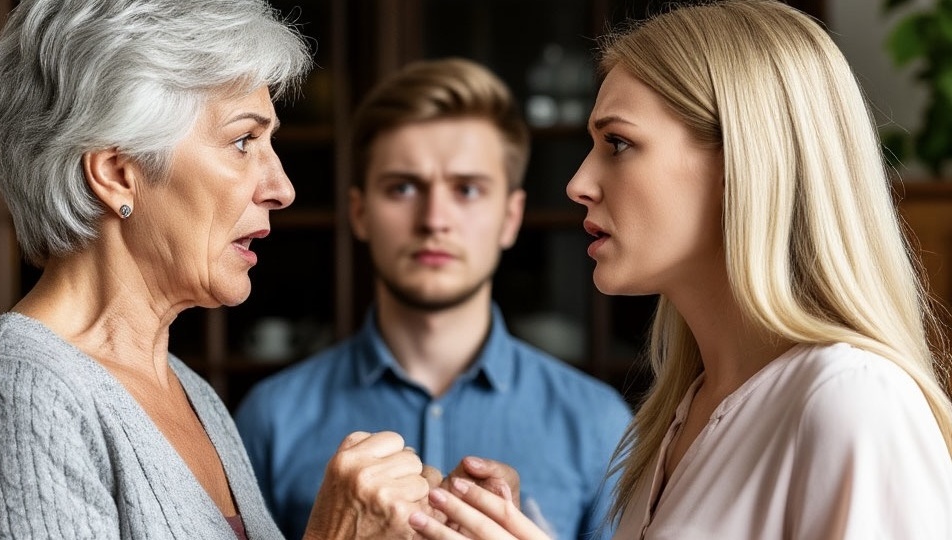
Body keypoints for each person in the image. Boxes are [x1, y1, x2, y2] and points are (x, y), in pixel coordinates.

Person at [407, 1, 952, 539]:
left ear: (742, 160)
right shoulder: (675, 420)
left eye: (618, 143)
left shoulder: (852, 400)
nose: (578, 183)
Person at [0, 0, 470, 538]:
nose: (282, 188)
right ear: (118, 173)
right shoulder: (19, 392)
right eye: (242, 141)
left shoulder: (189, 391)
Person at [233, 57, 634, 540]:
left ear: (510, 217)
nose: (435, 219)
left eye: (467, 189)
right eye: (403, 187)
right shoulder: (271, 419)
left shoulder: (598, 424)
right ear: (359, 213)